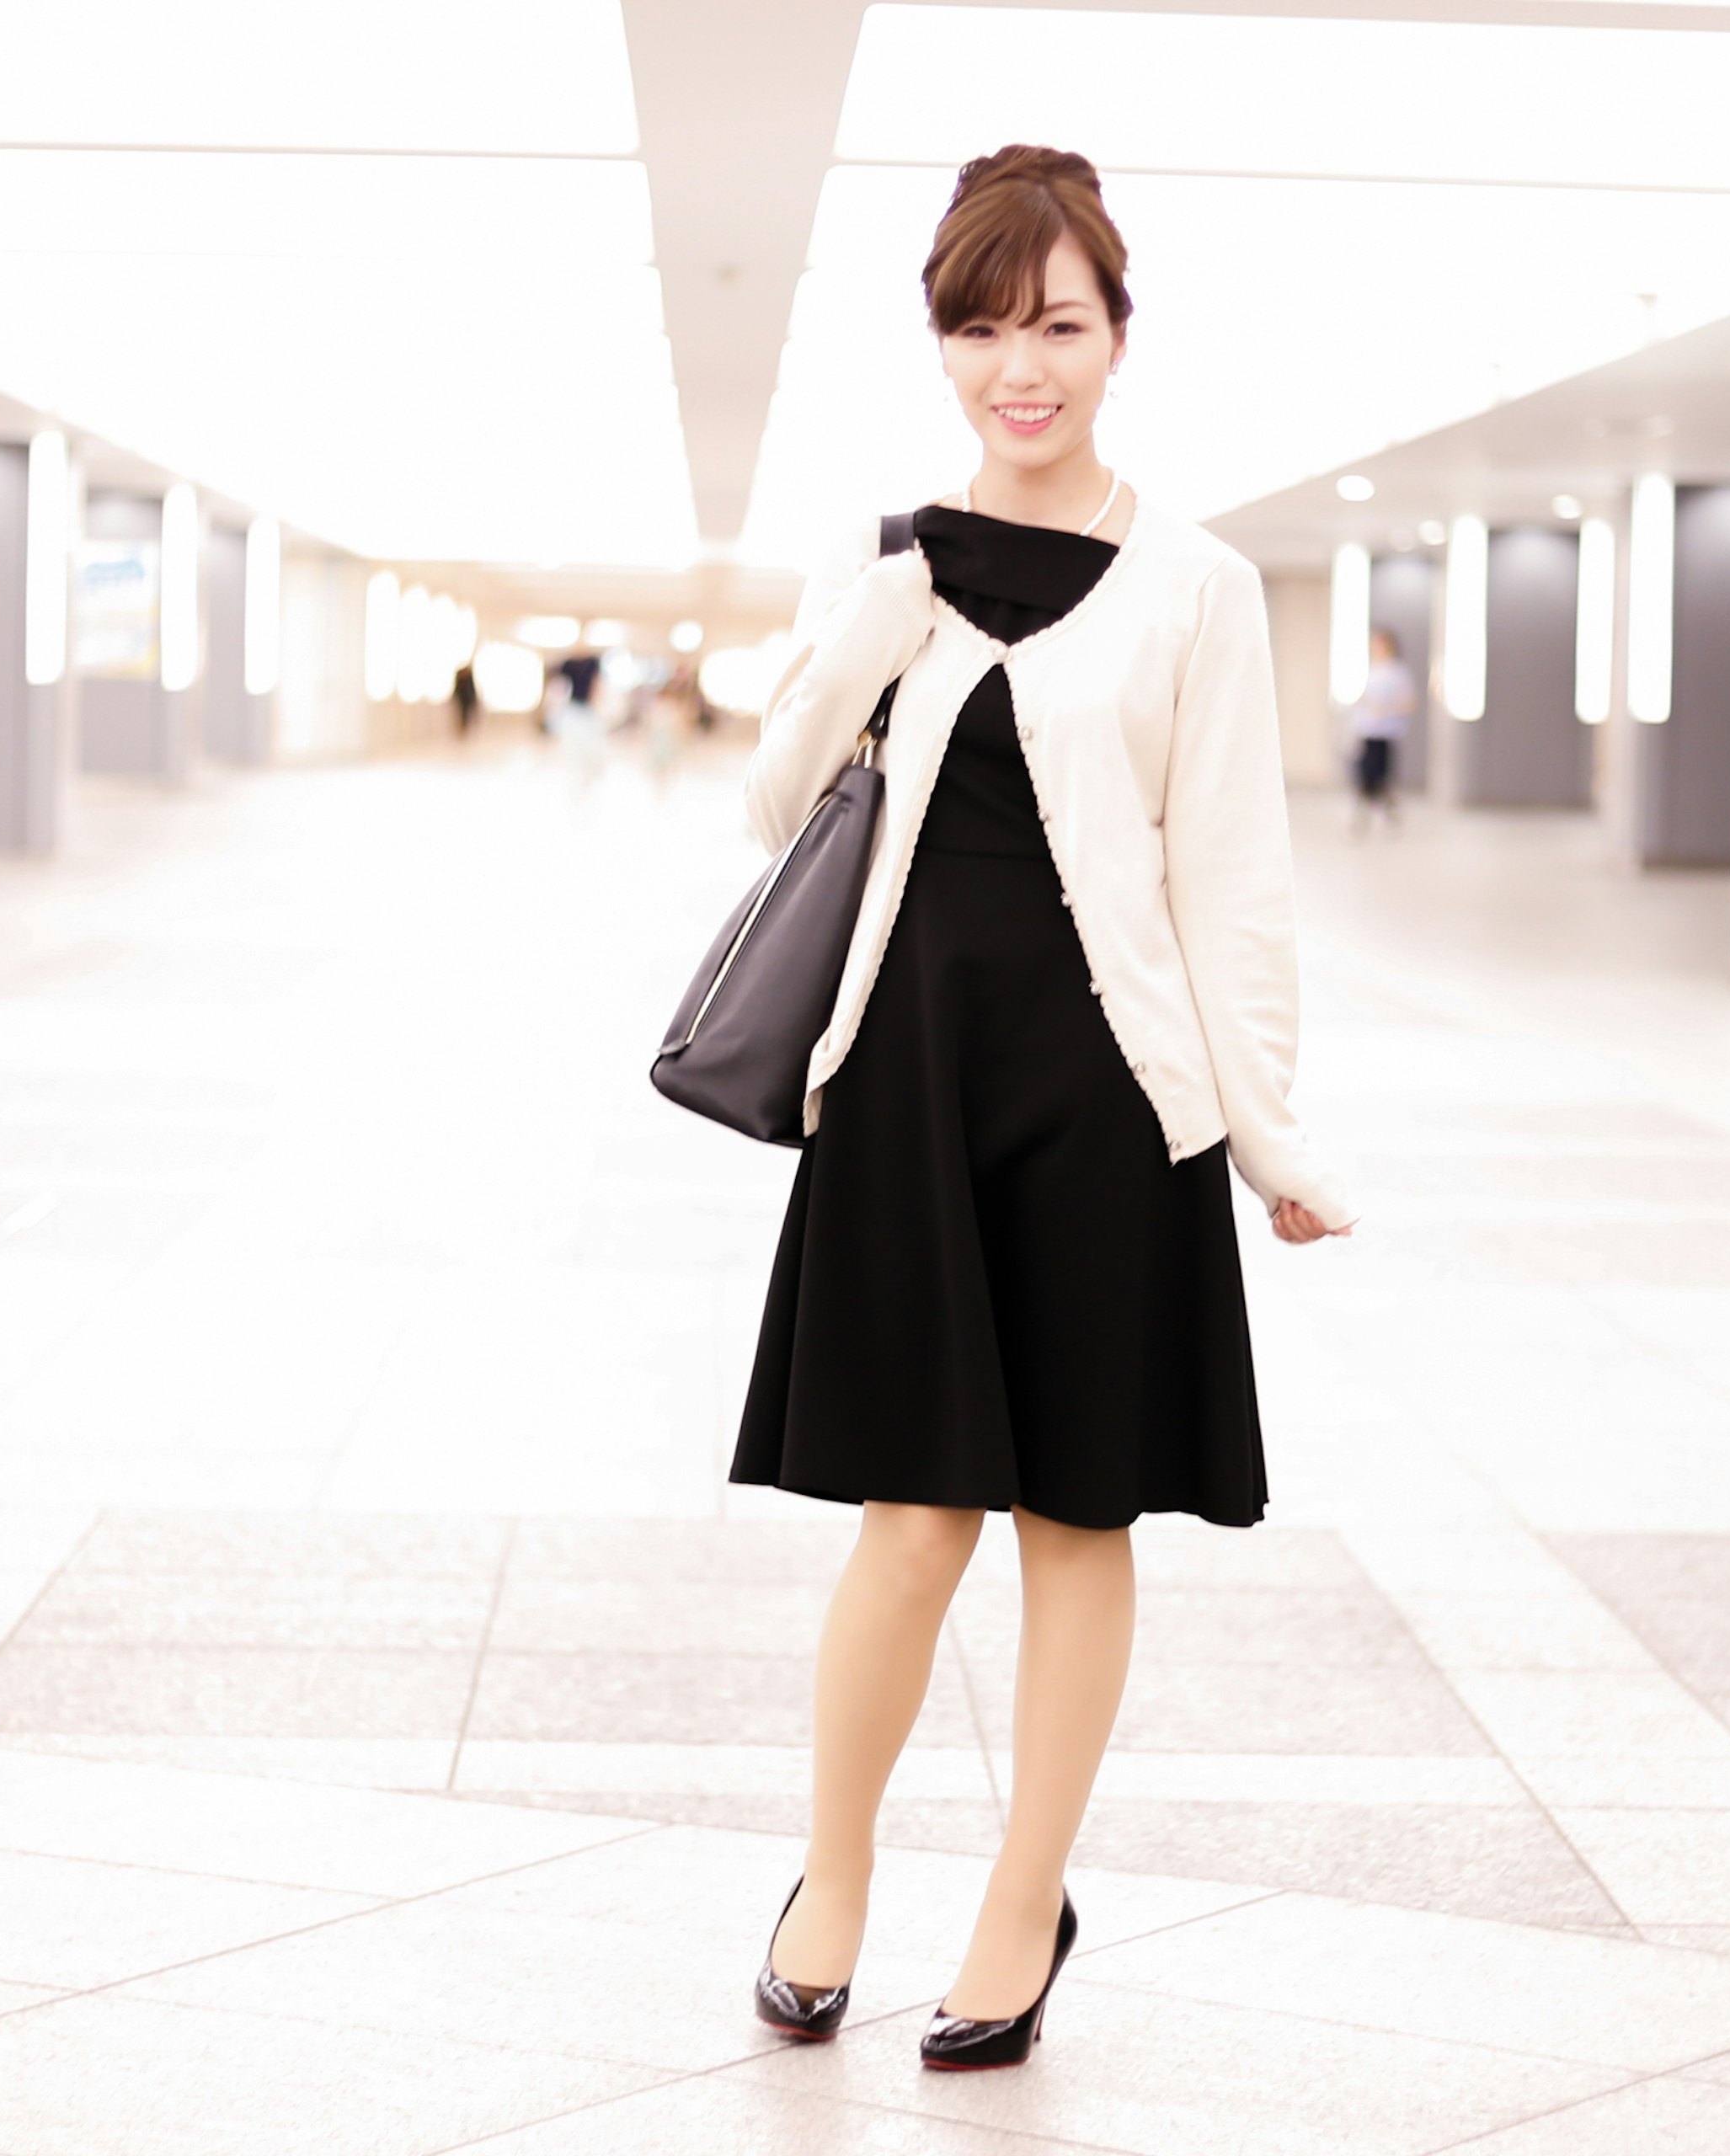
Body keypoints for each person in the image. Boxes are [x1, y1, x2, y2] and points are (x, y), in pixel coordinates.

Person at [729, 143, 1354, 2071]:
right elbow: (774, 814)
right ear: (940, 344)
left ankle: (1020, 1898)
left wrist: (1267, 1134)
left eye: (1058, 324)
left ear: (1113, 336)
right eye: (985, 326)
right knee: (909, 1518)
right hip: (905, 1088)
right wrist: (868, 631)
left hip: (1103, 1107)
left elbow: (1230, 872)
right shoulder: (885, 553)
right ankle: (829, 1874)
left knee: (1078, 1513)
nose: (1024, 363)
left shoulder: (1196, 584)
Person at [1346, 625, 1412, 832]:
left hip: (1385, 733)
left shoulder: (1397, 672)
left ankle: (1376, 813)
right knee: (1365, 775)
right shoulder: (1372, 670)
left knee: (1378, 776)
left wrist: (1386, 709)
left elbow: (1408, 702)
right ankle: (1372, 814)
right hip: (1366, 730)